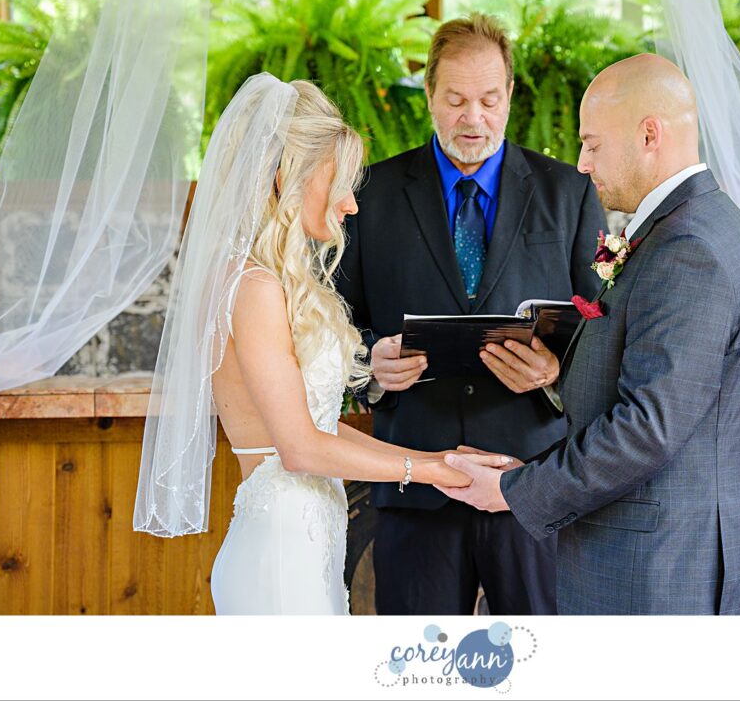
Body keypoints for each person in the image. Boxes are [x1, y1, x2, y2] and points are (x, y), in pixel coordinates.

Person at [133, 74, 505, 615]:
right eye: (340, 183)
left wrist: (435, 458)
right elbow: (300, 448)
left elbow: (320, 433)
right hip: (280, 565)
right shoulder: (254, 288)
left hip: (306, 547)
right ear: (287, 177)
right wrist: (430, 471)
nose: (352, 204)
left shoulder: (267, 280)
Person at [439, 53, 740, 615]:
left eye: (592, 144)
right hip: (659, 555)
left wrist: (513, 491)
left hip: (658, 573)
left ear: (649, 135)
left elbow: (646, 427)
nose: (581, 162)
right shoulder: (696, 226)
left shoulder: (689, 250)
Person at [336, 14, 606, 615]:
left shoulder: (569, 192)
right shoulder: (368, 195)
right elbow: (331, 326)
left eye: (488, 99)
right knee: (421, 668)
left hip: (532, 483)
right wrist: (369, 364)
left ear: (510, 95)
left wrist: (555, 374)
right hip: (413, 487)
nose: (473, 118)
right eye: (455, 100)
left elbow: (604, 327)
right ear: (428, 93)